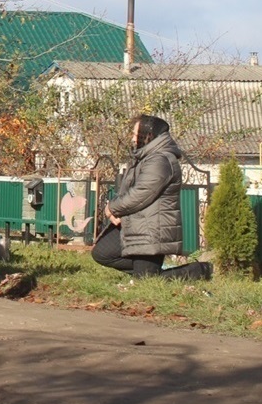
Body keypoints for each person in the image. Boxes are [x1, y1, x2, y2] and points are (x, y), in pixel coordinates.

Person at [91, 115, 214, 281]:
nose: (132, 138)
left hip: (151, 229)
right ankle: (145, 273)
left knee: (148, 281)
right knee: (102, 253)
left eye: (135, 134)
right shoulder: (146, 157)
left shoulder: (160, 160)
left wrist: (112, 208)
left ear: (148, 135)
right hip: (136, 224)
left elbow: (141, 193)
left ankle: (200, 270)